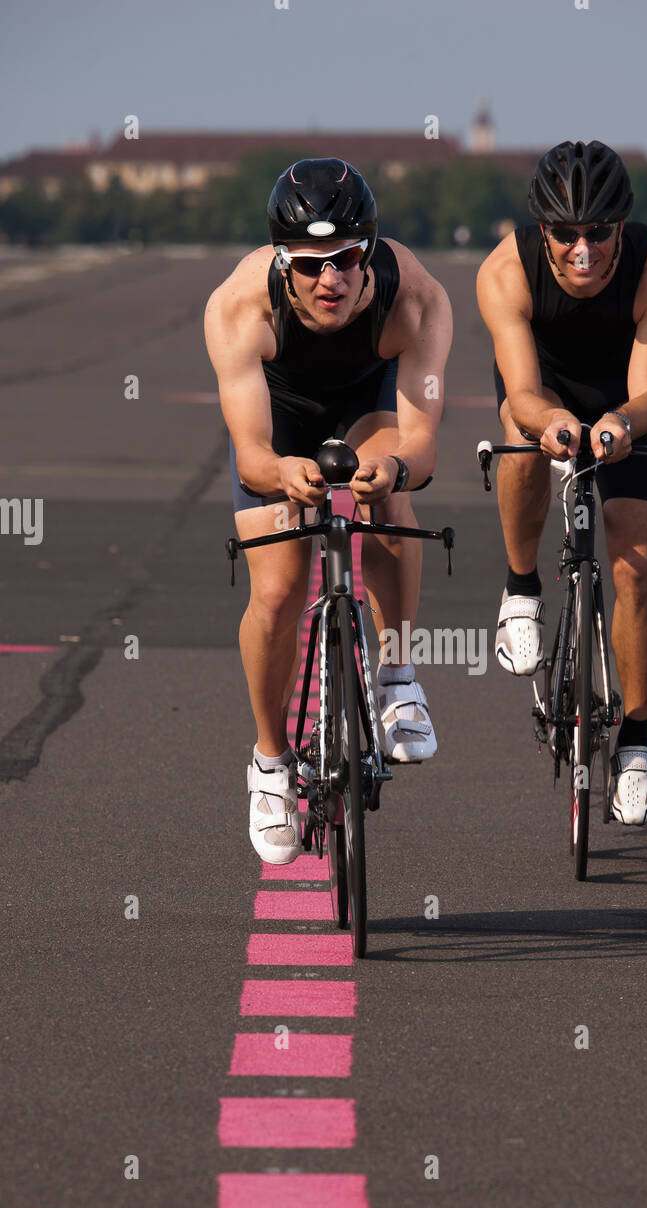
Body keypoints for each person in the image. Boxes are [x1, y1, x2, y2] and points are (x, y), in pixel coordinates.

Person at [205, 158, 452, 864]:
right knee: (278, 591)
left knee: (389, 495)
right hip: (278, 421)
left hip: (367, 398)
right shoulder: (239, 306)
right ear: (282, 260)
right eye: (311, 265)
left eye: (347, 259)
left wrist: (396, 465)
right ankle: (270, 761)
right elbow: (252, 453)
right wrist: (285, 471)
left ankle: (398, 675)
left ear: (368, 251)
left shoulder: (415, 299)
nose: (331, 280)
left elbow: (424, 443)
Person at [476, 139, 647, 825]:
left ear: (619, 227)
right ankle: (521, 588)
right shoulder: (505, 271)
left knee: (636, 565)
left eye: (598, 232)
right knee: (520, 439)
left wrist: (623, 424)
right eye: (565, 234)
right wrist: (553, 422)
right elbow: (522, 390)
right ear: (542, 231)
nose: (583, 249)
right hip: (543, 391)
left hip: (629, 401)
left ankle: (636, 742)